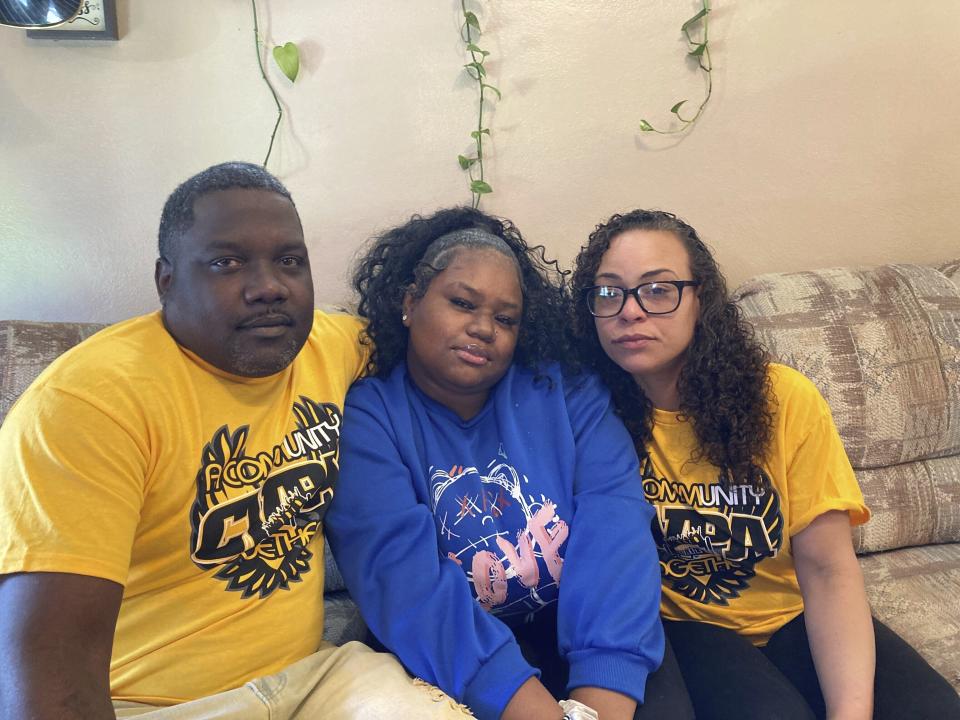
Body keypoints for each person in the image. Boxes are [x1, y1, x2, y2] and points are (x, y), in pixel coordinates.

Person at [0, 162, 474, 719]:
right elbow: (50, 678)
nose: (269, 286)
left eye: (289, 261)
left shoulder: (332, 345)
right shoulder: (90, 404)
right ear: (166, 280)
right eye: (228, 263)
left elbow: (447, 348)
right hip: (152, 703)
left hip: (314, 678)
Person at [571, 208, 960, 720]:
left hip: (790, 614)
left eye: (658, 289)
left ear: (701, 300)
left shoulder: (783, 400)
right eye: (608, 292)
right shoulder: (588, 413)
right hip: (683, 628)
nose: (630, 311)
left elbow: (827, 569)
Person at [323, 207, 665, 720]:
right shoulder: (372, 415)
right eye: (462, 303)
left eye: (505, 318)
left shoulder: (567, 392)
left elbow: (616, 531)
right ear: (410, 302)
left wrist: (602, 696)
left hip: (586, 638)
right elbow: (402, 582)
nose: (483, 328)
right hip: (448, 657)